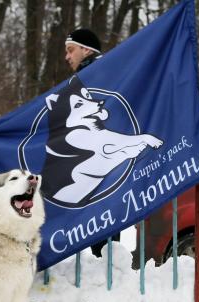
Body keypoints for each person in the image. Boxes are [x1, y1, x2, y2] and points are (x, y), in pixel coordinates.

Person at [64, 28, 121, 257]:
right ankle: (104, 272)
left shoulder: (96, 76)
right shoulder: (94, 74)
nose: (67, 57)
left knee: (103, 232)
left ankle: (104, 274)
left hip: (100, 164)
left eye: (70, 50)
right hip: (96, 163)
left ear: (86, 50)